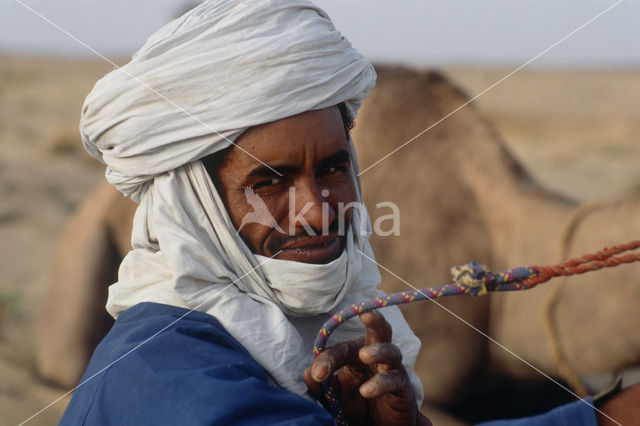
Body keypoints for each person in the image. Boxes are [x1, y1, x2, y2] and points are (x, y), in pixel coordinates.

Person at [61, 1, 627, 424]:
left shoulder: (310, 332)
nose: (317, 212)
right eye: (268, 182)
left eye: (333, 168)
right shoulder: (169, 378)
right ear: (196, 204)